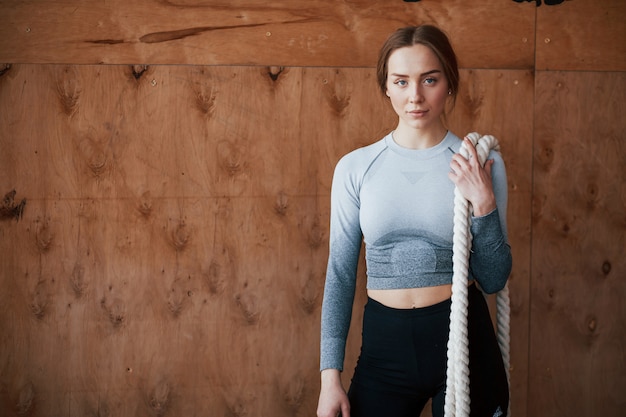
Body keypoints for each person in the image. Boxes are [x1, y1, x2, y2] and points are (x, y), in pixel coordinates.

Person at [316, 25, 512, 417]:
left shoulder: (479, 162)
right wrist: (329, 379)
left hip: (463, 342)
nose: (415, 96)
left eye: (430, 80)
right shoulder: (356, 168)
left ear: (449, 84)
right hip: (383, 349)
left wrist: (484, 202)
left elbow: (492, 280)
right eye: (401, 81)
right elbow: (340, 273)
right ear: (386, 86)